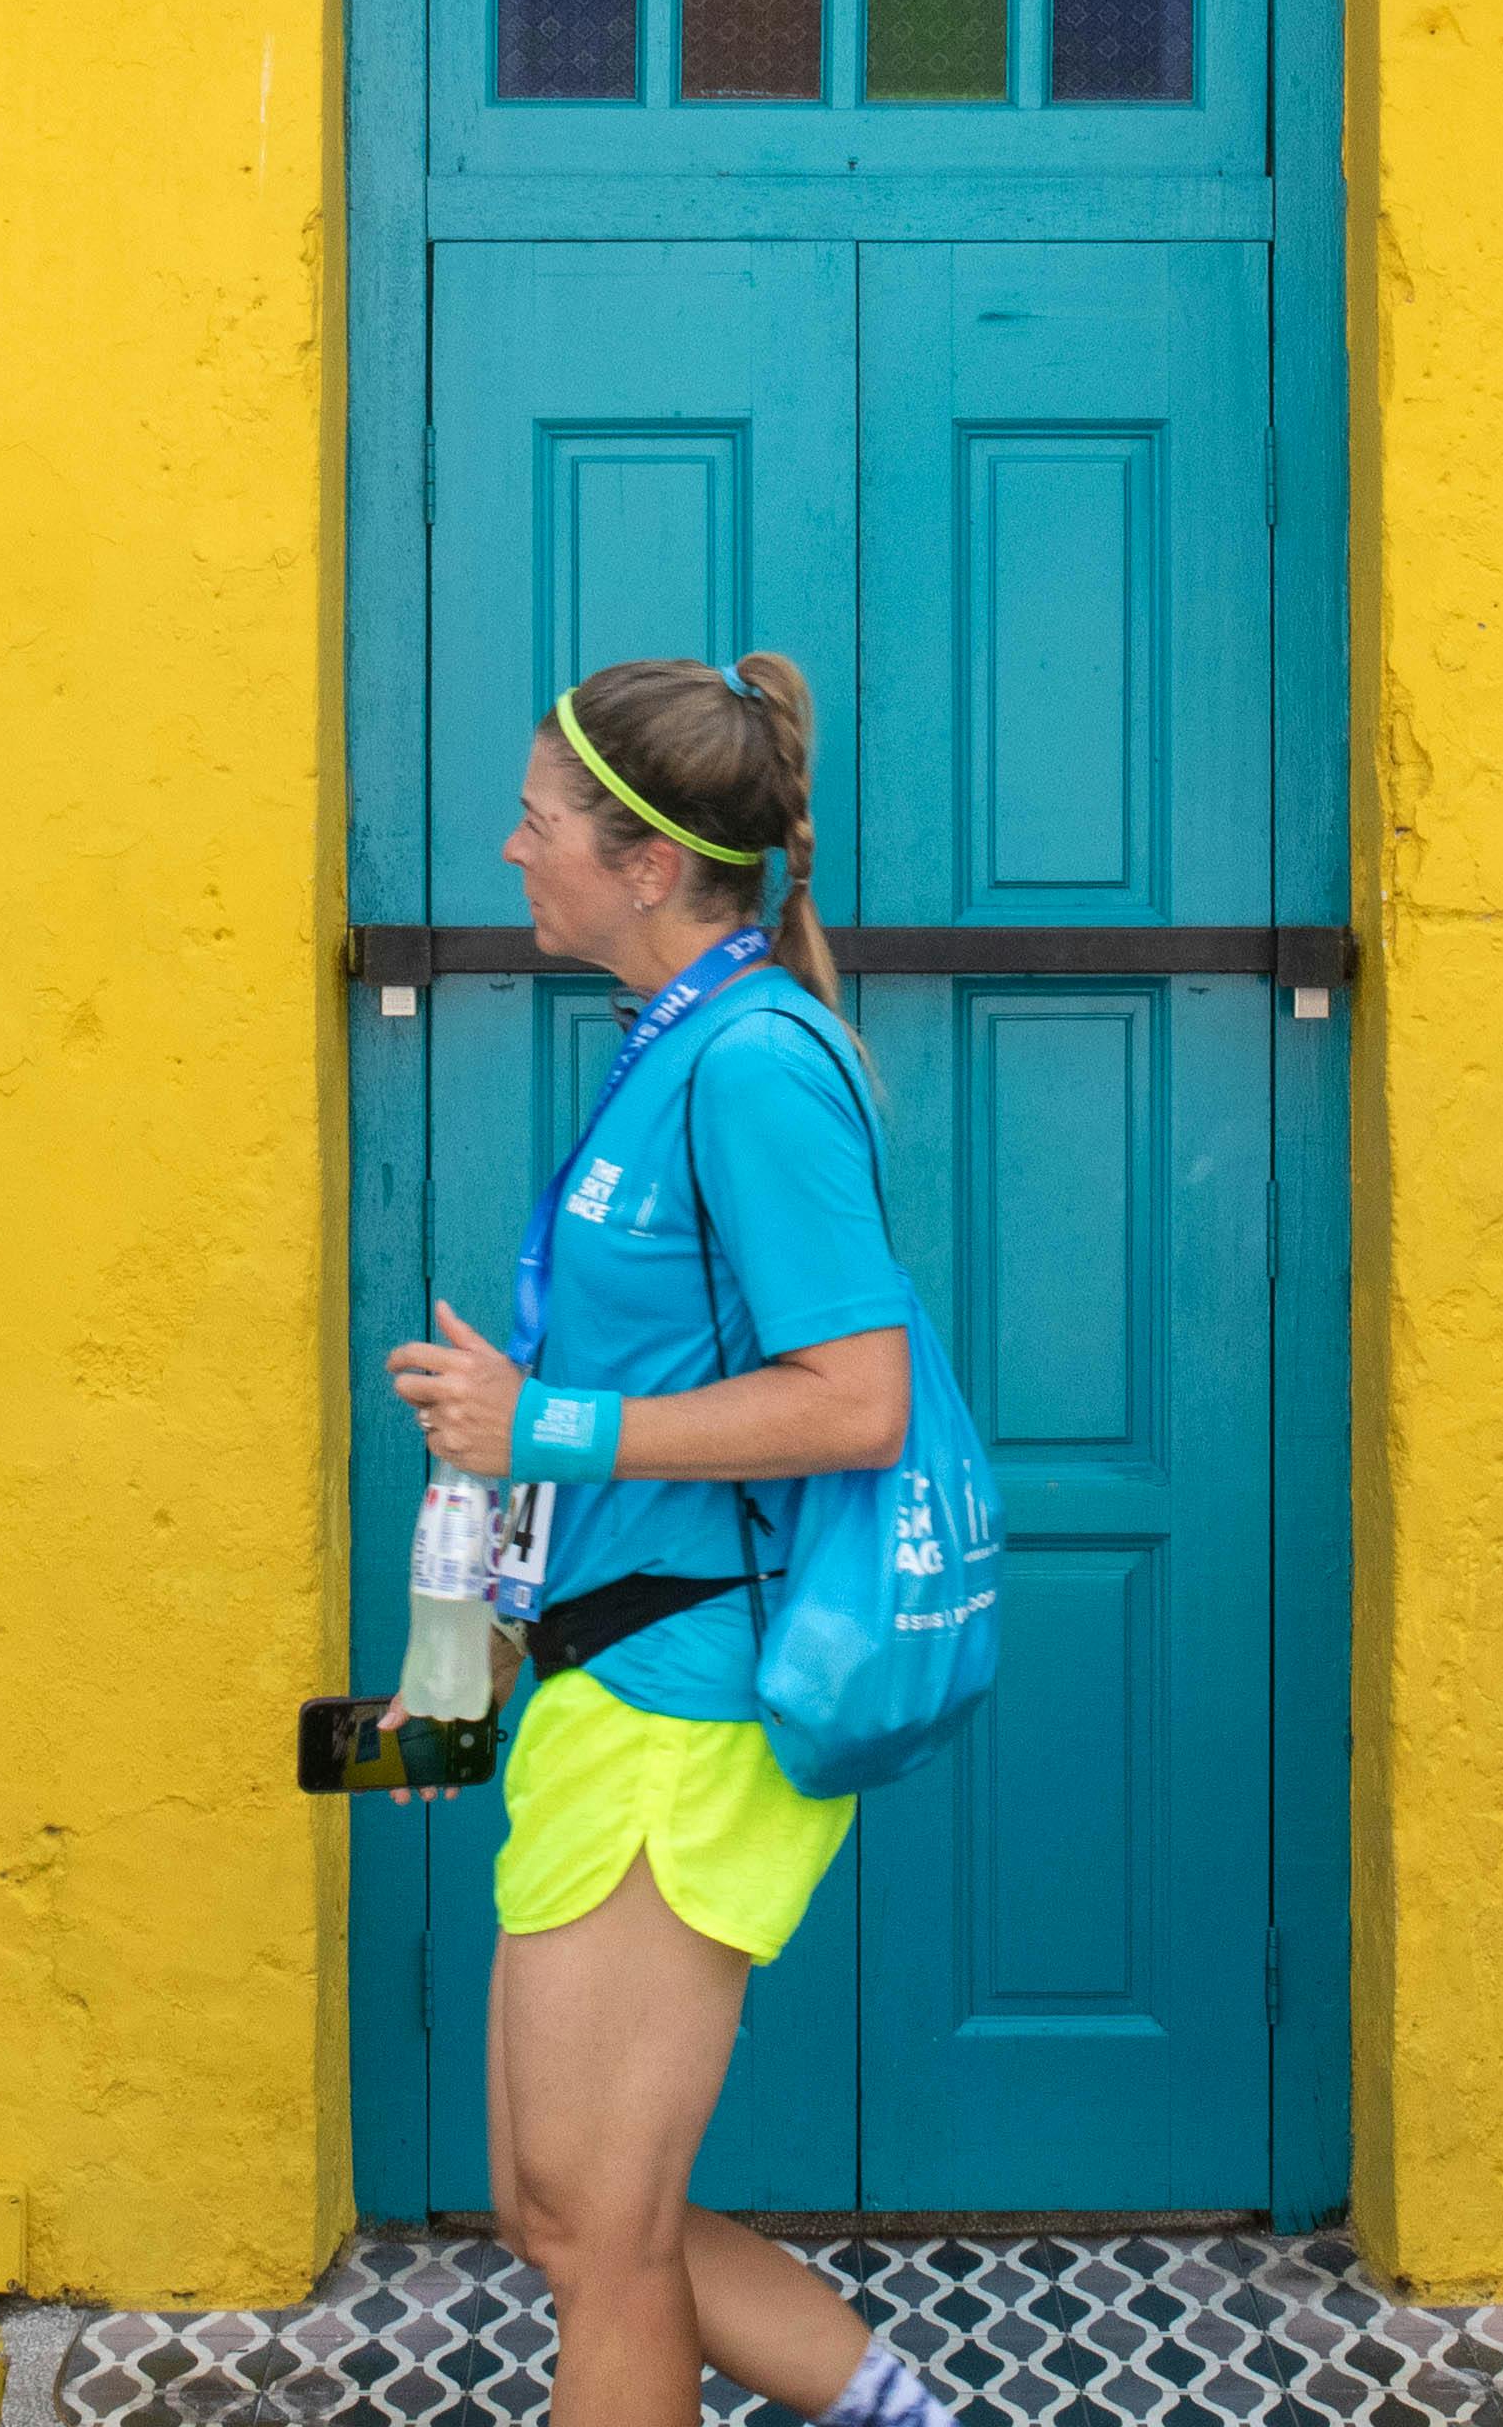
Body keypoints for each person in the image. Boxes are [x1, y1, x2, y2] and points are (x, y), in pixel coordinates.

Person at [385, 654, 964, 2427]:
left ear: (645, 865)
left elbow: (856, 1400)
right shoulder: (672, 1049)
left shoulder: (755, 1067)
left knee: (600, 2233)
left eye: (539, 823)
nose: (511, 849)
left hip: (691, 1706)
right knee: (557, 2211)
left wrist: (546, 1422)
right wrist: (471, 1666)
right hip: (602, 1679)